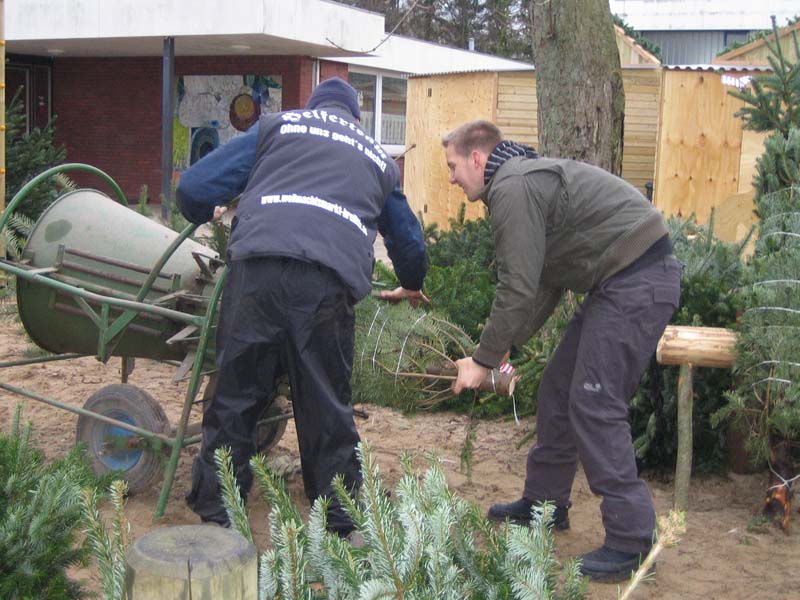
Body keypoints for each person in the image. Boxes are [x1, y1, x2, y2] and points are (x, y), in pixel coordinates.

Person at [177, 77, 428, 537]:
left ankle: (216, 519)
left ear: (311, 107)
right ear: (355, 119)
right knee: (325, 407)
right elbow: (410, 251)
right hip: (325, 287)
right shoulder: (376, 157)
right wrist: (411, 283)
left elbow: (194, 188)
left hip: (256, 274)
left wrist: (207, 210)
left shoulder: (278, 126)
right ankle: (339, 526)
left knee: (234, 397)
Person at [444, 120, 680, 582]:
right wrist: (498, 350)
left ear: (476, 158)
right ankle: (546, 505)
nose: (451, 178)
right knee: (558, 388)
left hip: (636, 280)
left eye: (453, 166)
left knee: (594, 401)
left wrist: (484, 361)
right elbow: (544, 283)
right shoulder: (520, 180)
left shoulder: (511, 186)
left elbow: (517, 285)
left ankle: (633, 543)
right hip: (621, 281)